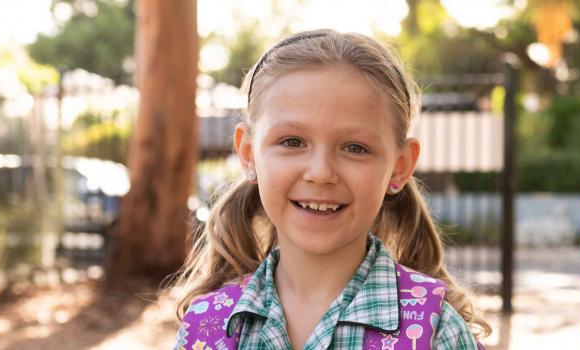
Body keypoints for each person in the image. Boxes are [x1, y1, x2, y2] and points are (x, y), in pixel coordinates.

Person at [169, 29, 485, 350]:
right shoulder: (206, 328)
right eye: (292, 142)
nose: (321, 173)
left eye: (355, 147)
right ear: (249, 155)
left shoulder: (435, 332)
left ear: (400, 166)